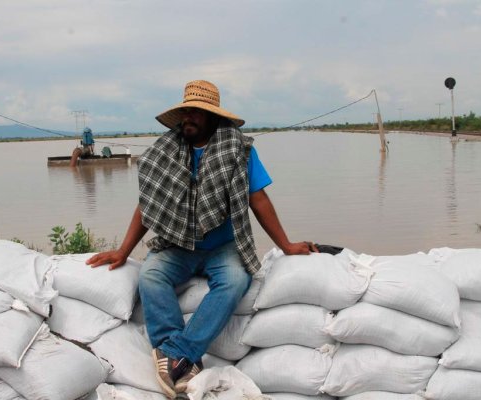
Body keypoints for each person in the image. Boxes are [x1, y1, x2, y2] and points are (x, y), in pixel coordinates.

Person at [86, 80, 318, 398]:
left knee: (237, 281)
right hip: (177, 244)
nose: (189, 118)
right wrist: (124, 252)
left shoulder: (238, 149)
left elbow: (258, 199)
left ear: (212, 116)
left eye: (197, 112)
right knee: (150, 277)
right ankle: (177, 354)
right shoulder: (167, 151)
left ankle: (178, 353)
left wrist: (286, 245)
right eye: (187, 111)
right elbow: (147, 205)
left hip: (222, 246)